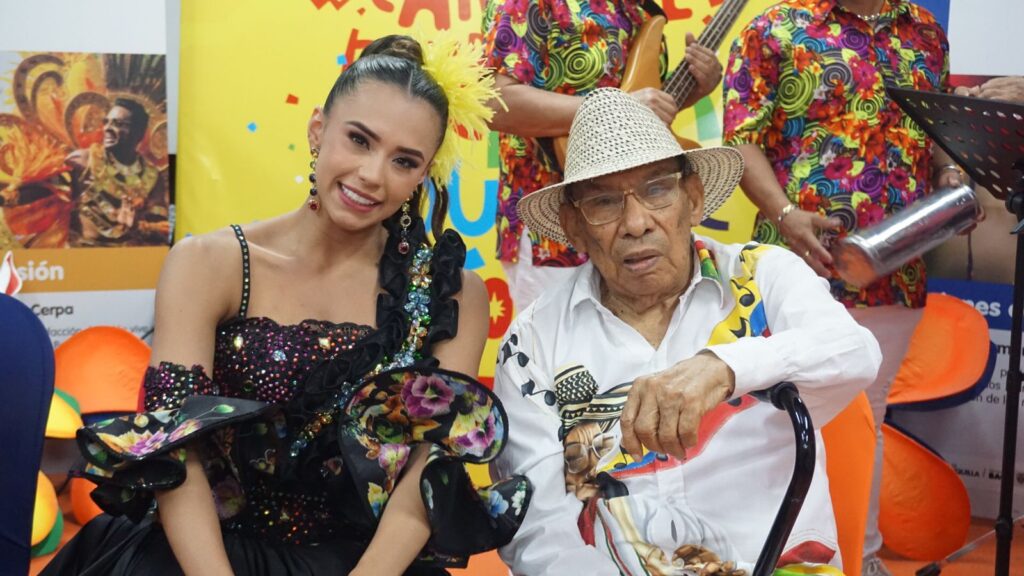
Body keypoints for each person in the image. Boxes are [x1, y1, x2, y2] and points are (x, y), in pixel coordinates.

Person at [41, 35, 530, 576]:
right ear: (318, 128)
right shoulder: (208, 264)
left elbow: (427, 470)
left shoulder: (450, 295)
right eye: (359, 140)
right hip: (201, 556)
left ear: (424, 173)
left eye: (403, 160)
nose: (372, 175)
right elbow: (175, 452)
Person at [492, 88, 882, 575]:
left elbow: (854, 351)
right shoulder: (533, 343)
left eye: (657, 190)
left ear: (693, 199)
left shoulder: (764, 276)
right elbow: (539, 528)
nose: (636, 223)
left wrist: (724, 367)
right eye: (604, 202)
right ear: (574, 227)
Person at [721, 2, 960, 573]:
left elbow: (936, 134)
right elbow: (741, 140)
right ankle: (767, 557)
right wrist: (785, 215)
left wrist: (950, 180)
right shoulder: (773, 28)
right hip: (795, 269)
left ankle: (859, 556)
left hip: (894, 272)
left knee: (866, 420)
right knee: (778, 421)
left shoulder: (925, 31)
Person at [481, 0, 723, 310]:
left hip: (639, 218)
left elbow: (640, 108)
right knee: (559, 340)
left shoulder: (638, 7)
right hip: (554, 225)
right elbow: (493, 101)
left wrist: (693, 87)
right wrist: (619, 107)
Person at [66, 97, 170, 246]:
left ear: (139, 133)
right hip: (84, 253)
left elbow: (163, 230)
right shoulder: (81, 161)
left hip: (130, 255)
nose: (107, 128)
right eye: (106, 122)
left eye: (118, 124)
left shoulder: (152, 177)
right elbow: (50, 209)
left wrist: (140, 226)